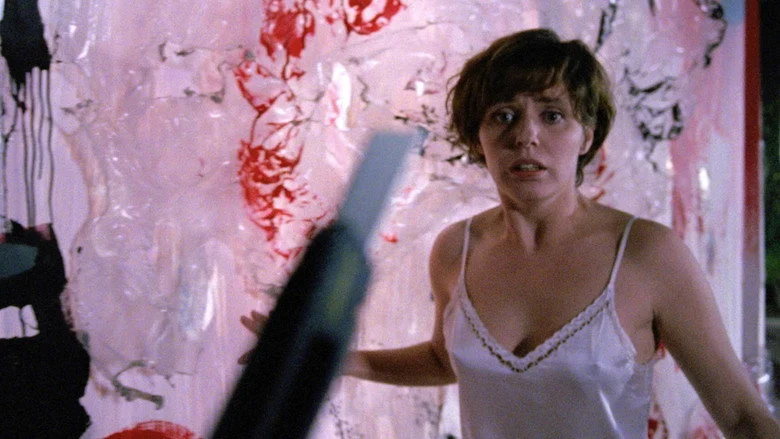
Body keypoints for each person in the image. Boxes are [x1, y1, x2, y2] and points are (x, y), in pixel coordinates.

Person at [242, 28, 780, 438]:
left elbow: (741, 416)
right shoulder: (456, 249)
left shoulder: (646, 253)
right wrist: (339, 360)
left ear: (587, 135)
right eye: (503, 116)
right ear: (477, 138)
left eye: (553, 115)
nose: (526, 136)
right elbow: (446, 359)